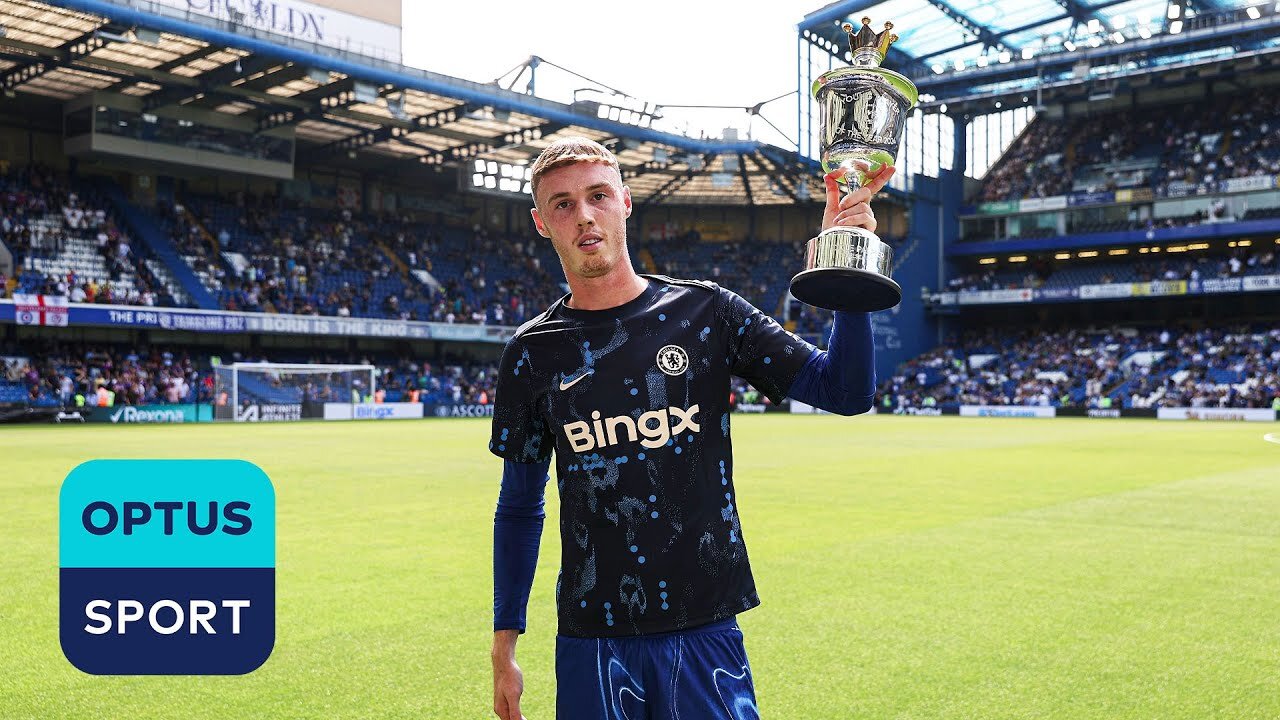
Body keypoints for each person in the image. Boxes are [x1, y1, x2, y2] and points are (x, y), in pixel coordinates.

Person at [489, 137, 891, 720]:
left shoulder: (707, 312)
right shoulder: (532, 353)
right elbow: (519, 506)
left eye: (598, 196)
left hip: (704, 631)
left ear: (625, 202)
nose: (584, 216)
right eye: (562, 204)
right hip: (593, 639)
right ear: (541, 223)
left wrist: (848, 268)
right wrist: (505, 645)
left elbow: (846, 392)